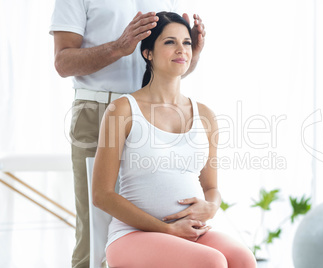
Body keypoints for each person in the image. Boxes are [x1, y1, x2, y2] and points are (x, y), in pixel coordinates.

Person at [92, 11, 257, 268]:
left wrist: (211, 207)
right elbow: (101, 194)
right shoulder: (123, 110)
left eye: (186, 43)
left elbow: (211, 188)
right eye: (170, 42)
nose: (181, 49)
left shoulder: (205, 115)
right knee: (211, 262)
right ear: (148, 53)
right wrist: (167, 230)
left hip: (192, 232)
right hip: (134, 236)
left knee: (243, 259)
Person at [49, 1, 205, 267]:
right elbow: (63, 63)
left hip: (155, 114)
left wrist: (193, 55)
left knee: (161, 219)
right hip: (98, 110)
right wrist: (118, 47)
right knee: (95, 234)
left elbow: (165, 66)